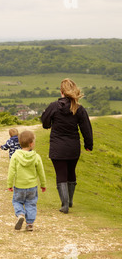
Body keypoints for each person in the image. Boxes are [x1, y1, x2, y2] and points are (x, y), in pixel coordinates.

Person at [41, 78, 93, 214]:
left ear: (61, 91)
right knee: (71, 172)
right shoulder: (79, 108)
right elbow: (86, 128)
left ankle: (64, 204)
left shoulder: (53, 106)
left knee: (61, 174)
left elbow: (45, 123)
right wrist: (89, 144)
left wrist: (49, 122)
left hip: (57, 146)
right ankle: (69, 201)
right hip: (73, 146)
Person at [7, 130, 46, 231]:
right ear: (31, 143)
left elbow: (11, 171)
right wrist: (43, 184)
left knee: (17, 201)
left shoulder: (15, 155)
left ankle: (20, 214)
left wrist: (10, 184)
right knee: (31, 203)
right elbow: (41, 172)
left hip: (19, 186)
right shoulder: (36, 156)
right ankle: (29, 224)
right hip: (32, 187)